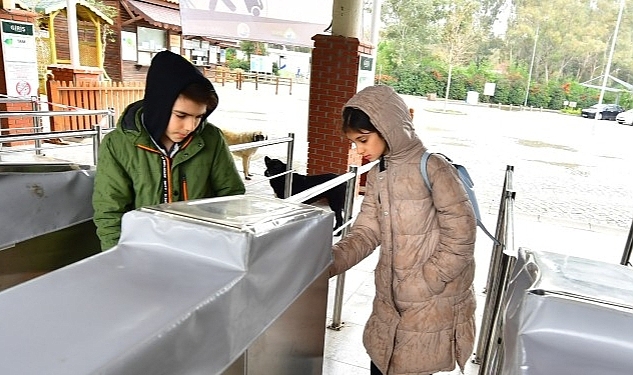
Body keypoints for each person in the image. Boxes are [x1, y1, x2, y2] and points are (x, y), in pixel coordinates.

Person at [329, 85, 477, 375]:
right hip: (389, 302)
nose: (359, 150)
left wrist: (422, 283)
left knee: (413, 366)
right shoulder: (377, 174)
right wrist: (328, 261)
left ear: (388, 128)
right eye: (354, 142)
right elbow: (366, 232)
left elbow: (461, 237)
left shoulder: (434, 168)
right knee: (382, 363)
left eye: (363, 140)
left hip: (430, 303)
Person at [92, 50, 245, 251]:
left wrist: (220, 244)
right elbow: (109, 212)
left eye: (199, 117)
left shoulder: (211, 138)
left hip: (201, 248)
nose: (191, 126)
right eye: (181, 115)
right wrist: (118, 256)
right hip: (142, 249)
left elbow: (232, 196)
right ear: (159, 106)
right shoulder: (117, 145)